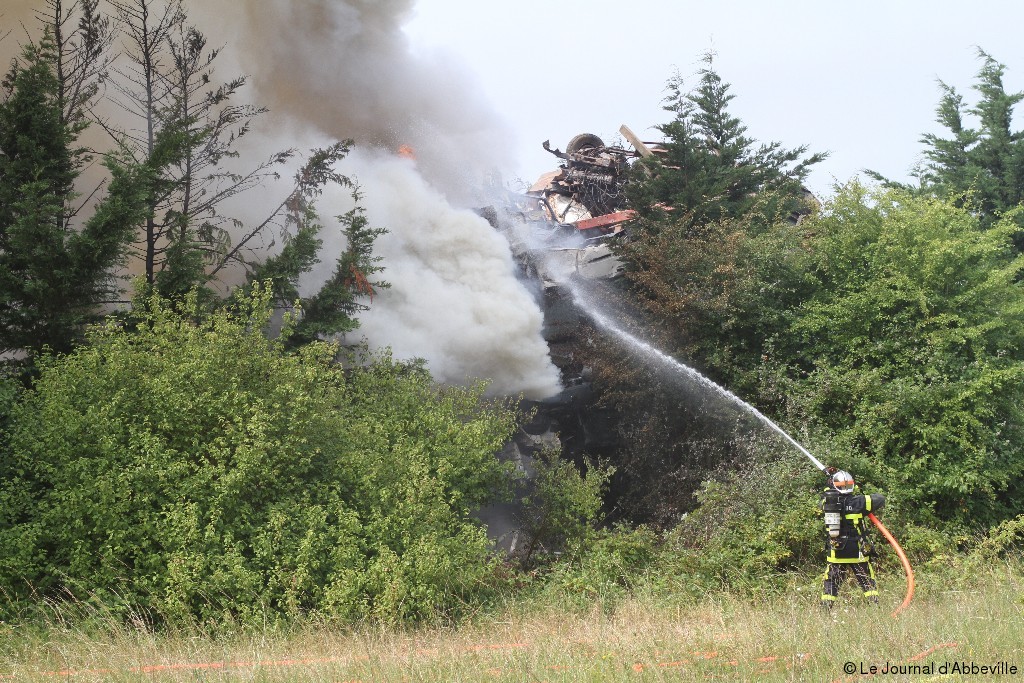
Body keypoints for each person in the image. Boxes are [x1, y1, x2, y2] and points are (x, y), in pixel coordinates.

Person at [820, 468, 886, 609]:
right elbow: (880, 498)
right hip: (858, 552)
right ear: (852, 485)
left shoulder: (827, 503)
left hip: (836, 552)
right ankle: (875, 609)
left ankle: (825, 610)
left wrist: (830, 484)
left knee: (831, 582)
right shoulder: (860, 502)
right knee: (867, 581)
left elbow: (826, 493)